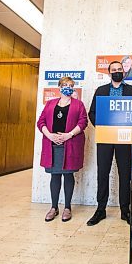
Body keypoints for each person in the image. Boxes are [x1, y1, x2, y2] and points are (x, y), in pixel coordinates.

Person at [87, 61, 132, 225]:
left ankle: (125, 210)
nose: (117, 72)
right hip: (105, 138)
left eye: (119, 70)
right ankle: (100, 210)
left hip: (125, 138)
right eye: (114, 70)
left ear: (124, 72)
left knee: (125, 174)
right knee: (103, 173)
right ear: (109, 73)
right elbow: (92, 113)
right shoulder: (101, 91)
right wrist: (101, 127)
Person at [37, 76, 88, 222]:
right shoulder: (50, 103)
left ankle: (67, 207)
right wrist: (50, 135)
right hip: (52, 145)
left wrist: (68, 135)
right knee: (55, 176)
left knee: (68, 175)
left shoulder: (78, 104)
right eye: (65, 85)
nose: (68, 87)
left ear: (73, 88)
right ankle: (54, 207)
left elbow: (83, 122)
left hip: (70, 145)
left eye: (71, 85)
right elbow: (41, 122)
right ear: (59, 87)